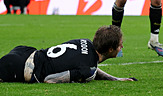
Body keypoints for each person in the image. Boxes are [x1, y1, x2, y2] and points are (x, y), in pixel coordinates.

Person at [0, 25, 136, 83]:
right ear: (110, 49)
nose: (122, 47)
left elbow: (89, 66)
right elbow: (50, 79)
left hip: (25, 51)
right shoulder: (87, 70)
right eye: (120, 44)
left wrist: (115, 79)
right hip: (21, 68)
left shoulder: (85, 42)